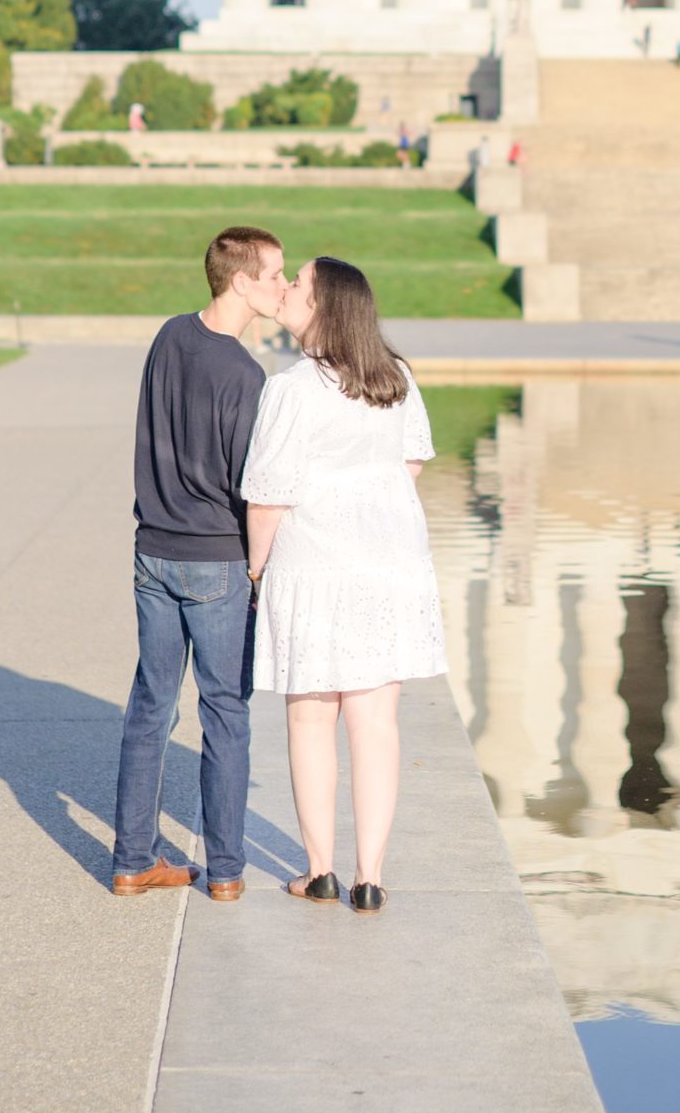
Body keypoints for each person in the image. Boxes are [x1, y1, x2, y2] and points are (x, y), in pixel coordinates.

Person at [242, 256, 446, 915]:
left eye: (296, 282)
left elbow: (268, 495)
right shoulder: (397, 377)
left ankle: (320, 869)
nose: (287, 288)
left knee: (309, 716)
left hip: (314, 561)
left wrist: (255, 568)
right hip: (389, 561)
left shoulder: (292, 388)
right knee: (376, 722)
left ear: (324, 305)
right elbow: (409, 461)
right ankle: (371, 876)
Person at [111, 224, 287, 902]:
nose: (281, 286)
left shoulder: (168, 335)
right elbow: (253, 487)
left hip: (153, 551)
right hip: (215, 561)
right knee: (225, 714)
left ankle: (132, 860)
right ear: (240, 280)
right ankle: (227, 871)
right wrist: (259, 571)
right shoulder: (245, 375)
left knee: (150, 706)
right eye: (274, 274)